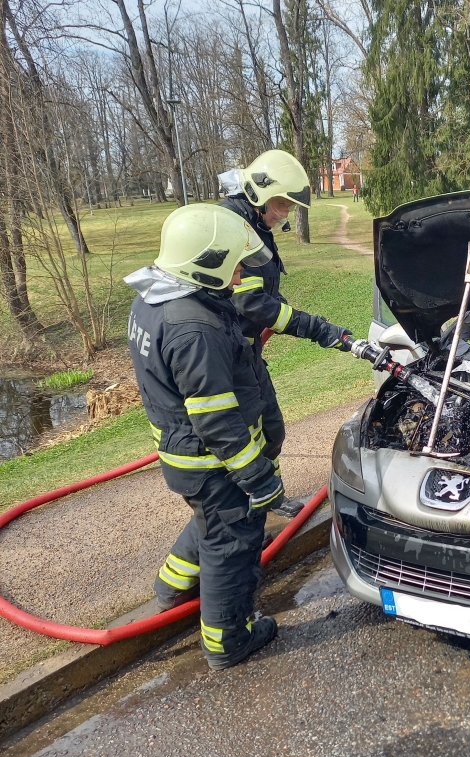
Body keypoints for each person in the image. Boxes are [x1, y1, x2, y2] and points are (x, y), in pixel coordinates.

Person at [125, 205, 285, 670]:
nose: (240, 273)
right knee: (232, 543)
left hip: (186, 457)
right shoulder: (195, 327)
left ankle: (171, 586)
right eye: (234, 263)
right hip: (212, 461)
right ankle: (228, 640)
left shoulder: (154, 297)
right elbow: (216, 420)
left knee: (211, 523)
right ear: (204, 263)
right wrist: (258, 478)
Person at [219, 150, 352, 515]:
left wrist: (297, 314)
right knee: (245, 439)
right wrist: (317, 329)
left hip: (247, 352)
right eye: (281, 204)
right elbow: (252, 304)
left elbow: (267, 295)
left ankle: (272, 501)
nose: (285, 213)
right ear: (258, 194)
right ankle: (246, 515)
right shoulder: (233, 227)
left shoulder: (254, 225)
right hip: (225, 356)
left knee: (272, 429)